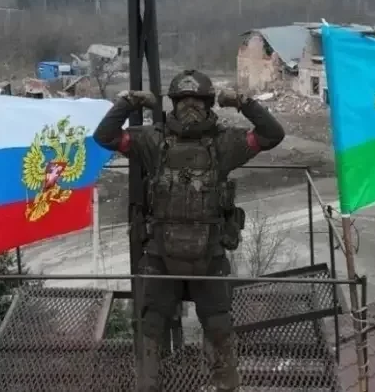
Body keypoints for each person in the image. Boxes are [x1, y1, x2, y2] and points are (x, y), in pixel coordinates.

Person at [92, 69, 285, 392]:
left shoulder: (224, 143)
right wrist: (127, 102)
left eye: (197, 101)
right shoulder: (153, 140)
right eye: (183, 101)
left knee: (219, 327)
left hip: (209, 254)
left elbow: (272, 135)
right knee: (150, 327)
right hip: (161, 254)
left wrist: (243, 102)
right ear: (173, 104)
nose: (190, 107)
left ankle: (227, 386)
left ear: (209, 104)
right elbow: (105, 137)